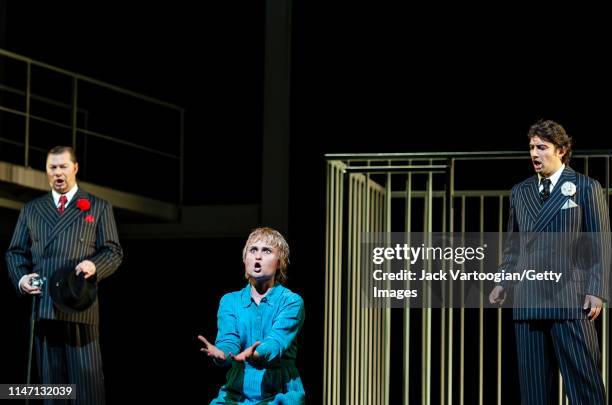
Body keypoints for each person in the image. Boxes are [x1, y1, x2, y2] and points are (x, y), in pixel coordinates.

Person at [489, 120, 609, 404]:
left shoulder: (585, 187)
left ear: (562, 150)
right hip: (530, 298)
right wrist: (502, 280)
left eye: (542, 147)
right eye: (531, 147)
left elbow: (600, 242)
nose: (534, 153)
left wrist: (597, 290)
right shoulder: (520, 191)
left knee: (585, 386)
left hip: (570, 298)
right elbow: (513, 245)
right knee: (533, 392)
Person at [6, 145, 123, 404]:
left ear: (75, 168)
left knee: (87, 388)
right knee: (53, 390)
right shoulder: (32, 210)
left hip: (79, 306)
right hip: (44, 307)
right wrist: (22, 279)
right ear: (47, 171)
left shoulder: (98, 207)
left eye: (63, 166)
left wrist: (94, 266)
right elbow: (15, 252)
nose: (58, 173)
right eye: (52, 167)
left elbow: (113, 252)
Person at [198, 227, 306, 404]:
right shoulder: (230, 301)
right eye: (253, 250)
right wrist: (222, 354)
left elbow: (276, 342)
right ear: (244, 259)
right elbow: (228, 341)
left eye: (267, 251)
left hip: (279, 393)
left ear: (279, 262)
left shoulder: (291, 301)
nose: (258, 256)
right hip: (237, 392)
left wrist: (255, 354)